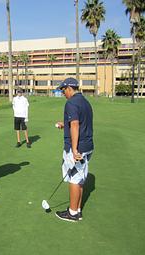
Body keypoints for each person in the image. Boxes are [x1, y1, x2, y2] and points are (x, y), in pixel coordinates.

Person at [54, 78, 94, 222]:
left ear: (69, 88)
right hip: (88, 146)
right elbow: (79, 123)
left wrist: (75, 149)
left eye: (63, 90)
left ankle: (72, 213)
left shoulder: (71, 103)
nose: (63, 93)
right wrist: (65, 125)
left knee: (74, 179)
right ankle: (76, 209)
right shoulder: (85, 102)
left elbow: (76, 125)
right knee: (80, 179)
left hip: (78, 148)